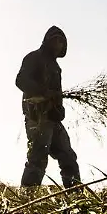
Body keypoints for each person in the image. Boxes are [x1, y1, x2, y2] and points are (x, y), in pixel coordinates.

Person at [16, 25, 80, 187]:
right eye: (56, 40)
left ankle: (75, 196)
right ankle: (27, 198)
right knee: (37, 158)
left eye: (61, 42)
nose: (58, 44)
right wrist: (44, 92)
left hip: (52, 119)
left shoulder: (56, 67)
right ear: (48, 41)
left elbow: (57, 95)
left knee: (68, 157)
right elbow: (21, 81)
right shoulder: (34, 58)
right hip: (37, 118)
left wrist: (59, 110)